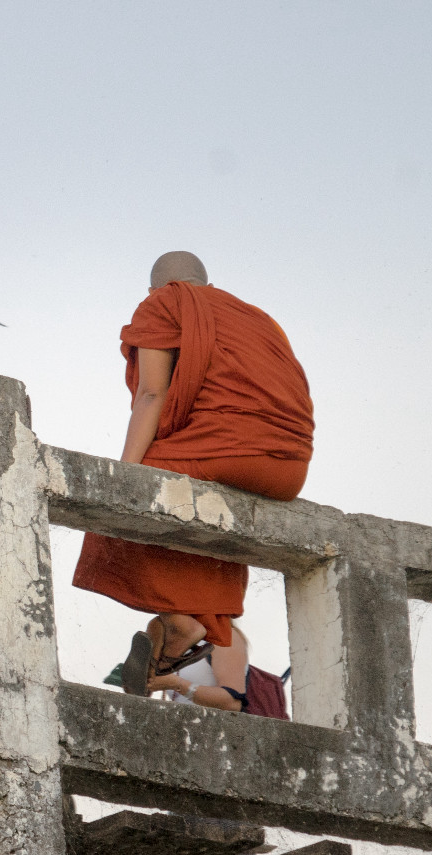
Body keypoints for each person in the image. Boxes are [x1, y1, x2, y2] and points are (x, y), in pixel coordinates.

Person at [72, 252, 314, 695]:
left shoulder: (164, 304)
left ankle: (185, 619)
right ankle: (188, 625)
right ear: (209, 283)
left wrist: (125, 475)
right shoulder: (259, 319)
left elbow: (152, 393)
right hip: (290, 466)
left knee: (135, 491)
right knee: (202, 503)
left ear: (154, 291)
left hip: (229, 449)